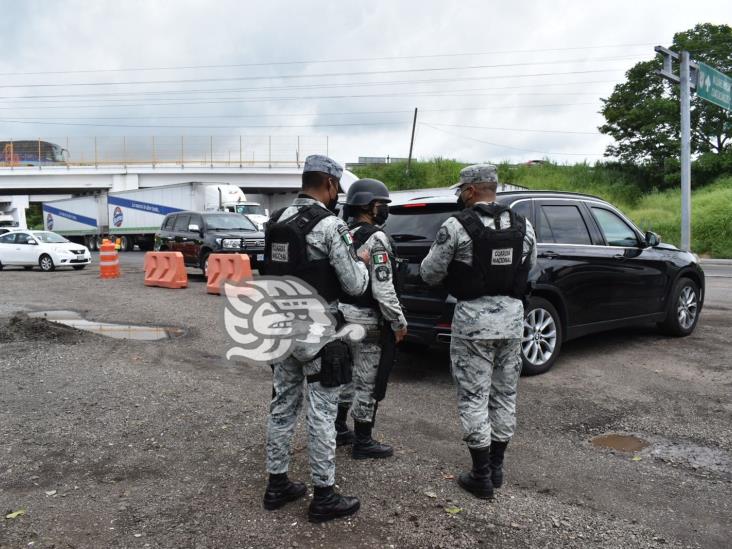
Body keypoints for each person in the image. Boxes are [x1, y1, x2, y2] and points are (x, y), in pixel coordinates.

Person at [260, 154, 369, 522]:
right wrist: (363, 264)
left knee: (283, 406)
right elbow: (354, 284)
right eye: (337, 187)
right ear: (330, 184)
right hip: (318, 331)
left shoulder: (276, 220)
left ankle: (277, 485)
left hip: (279, 327)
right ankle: (324, 496)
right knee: (322, 413)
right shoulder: (330, 226)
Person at [419, 164, 537, 499]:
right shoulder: (523, 225)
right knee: (505, 395)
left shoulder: (456, 225)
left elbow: (430, 272)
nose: (459, 195)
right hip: (513, 323)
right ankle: (497, 467)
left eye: (461, 189)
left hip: (472, 324)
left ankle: (481, 475)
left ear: (471, 190)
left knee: (474, 397)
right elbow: (531, 266)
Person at [336, 178, 408, 459]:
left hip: (341, 317)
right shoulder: (376, 238)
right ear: (369, 206)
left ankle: (340, 429)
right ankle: (362, 442)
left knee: (345, 378)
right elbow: (383, 287)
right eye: (382, 205)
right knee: (367, 380)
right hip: (367, 320)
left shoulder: (343, 234)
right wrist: (398, 321)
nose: (385, 210)